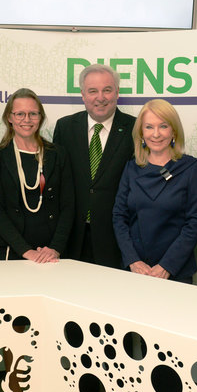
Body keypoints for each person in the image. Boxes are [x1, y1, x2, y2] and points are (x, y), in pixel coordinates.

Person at [112, 99, 197, 283]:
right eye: (149, 127)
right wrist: (133, 260)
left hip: (176, 271)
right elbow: (119, 216)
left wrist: (167, 266)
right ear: (141, 132)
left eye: (163, 126)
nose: (156, 134)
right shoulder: (131, 168)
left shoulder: (190, 168)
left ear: (174, 131)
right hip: (138, 271)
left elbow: (194, 222)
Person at [53, 64, 135, 268]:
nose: (101, 97)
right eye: (93, 91)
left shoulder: (136, 129)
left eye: (107, 90)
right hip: (72, 239)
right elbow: (58, 183)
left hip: (116, 240)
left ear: (117, 92)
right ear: (82, 94)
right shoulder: (64, 128)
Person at [0, 88, 74, 262]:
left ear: (40, 117)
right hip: (10, 251)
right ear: (9, 118)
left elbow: (68, 206)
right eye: (20, 114)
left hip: (51, 253)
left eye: (33, 113)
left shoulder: (57, 154)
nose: (27, 120)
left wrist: (55, 247)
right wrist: (26, 251)